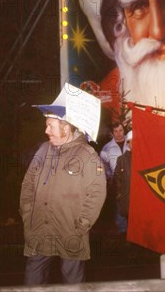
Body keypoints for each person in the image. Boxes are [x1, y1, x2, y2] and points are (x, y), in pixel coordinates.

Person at [20, 100, 106, 284]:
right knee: (33, 278)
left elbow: (97, 194)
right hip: (40, 228)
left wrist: (81, 226)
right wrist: (28, 214)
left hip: (70, 231)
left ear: (65, 127)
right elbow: (27, 184)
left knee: (73, 280)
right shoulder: (43, 150)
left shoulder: (87, 155)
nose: (46, 131)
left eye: (50, 126)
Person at [100, 121, 130, 234]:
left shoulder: (131, 143)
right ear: (112, 133)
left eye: (121, 130)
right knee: (119, 206)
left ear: (124, 130)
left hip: (131, 180)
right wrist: (108, 177)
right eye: (115, 131)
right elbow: (103, 165)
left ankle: (135, 229)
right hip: (116, 182)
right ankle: (122, 231)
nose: (118, 134)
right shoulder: (107, 148)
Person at [114, 131, 133, 224]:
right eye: (132, 142)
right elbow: (117, 179)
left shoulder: (144, 159)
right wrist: (119, 195)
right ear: (128, 143)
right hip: (127, 201)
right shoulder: (121, 160)